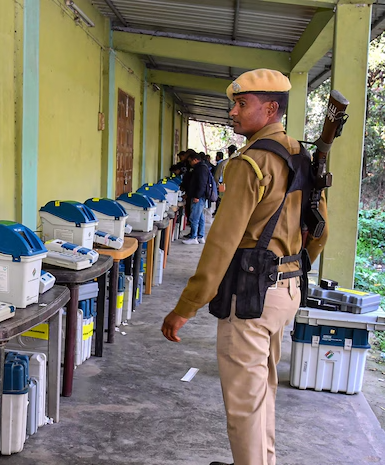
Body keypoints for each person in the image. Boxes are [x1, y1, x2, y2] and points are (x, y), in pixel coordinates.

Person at [160, 69, 329, 465]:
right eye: (233, 104)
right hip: (286, 288)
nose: (232, 112)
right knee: (261, 394)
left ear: (270, 108)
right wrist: (291, 266)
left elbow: (222, 242)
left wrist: (186, 306)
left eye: (241, 104)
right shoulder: (300, 156)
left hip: (252, 294)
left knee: (244, 408)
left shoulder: (251, 162)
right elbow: (321, 230)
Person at [180, 151, 210, 245]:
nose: (190, 163)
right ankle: (200, 236)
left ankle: (193, 237)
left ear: (195, 160)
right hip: (199, 195)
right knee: (200, 217)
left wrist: (197, 196)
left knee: (194, 218)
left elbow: (201, 184)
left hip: (198, 196)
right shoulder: (201, 168)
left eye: (190, 161)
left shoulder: (200, 169)